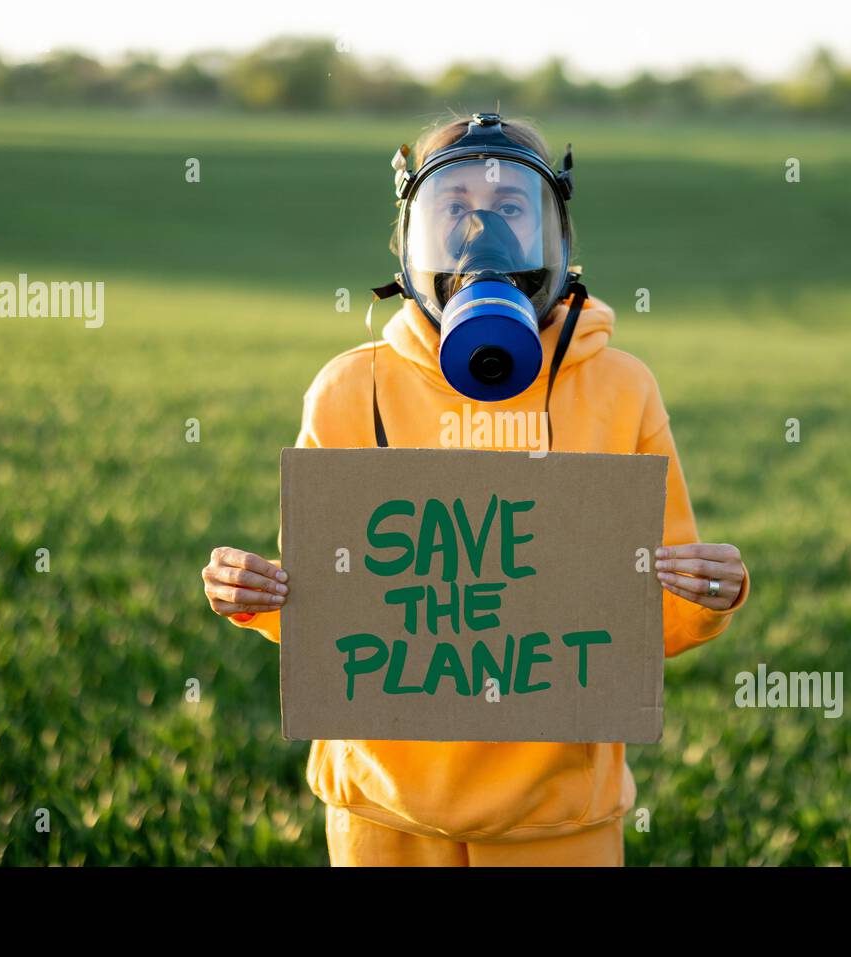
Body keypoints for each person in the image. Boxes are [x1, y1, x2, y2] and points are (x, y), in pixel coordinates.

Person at [201, 113, 749, 866]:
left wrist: (708, 592)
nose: (479, 234)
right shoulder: (349, 389)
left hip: (558, 818)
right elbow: (331, 610)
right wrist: (258, 597)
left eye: (511, 210)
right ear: (409, 237)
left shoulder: (622, 388)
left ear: (559, 239)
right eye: (453, 208)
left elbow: (656, 618)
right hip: (380, 809)